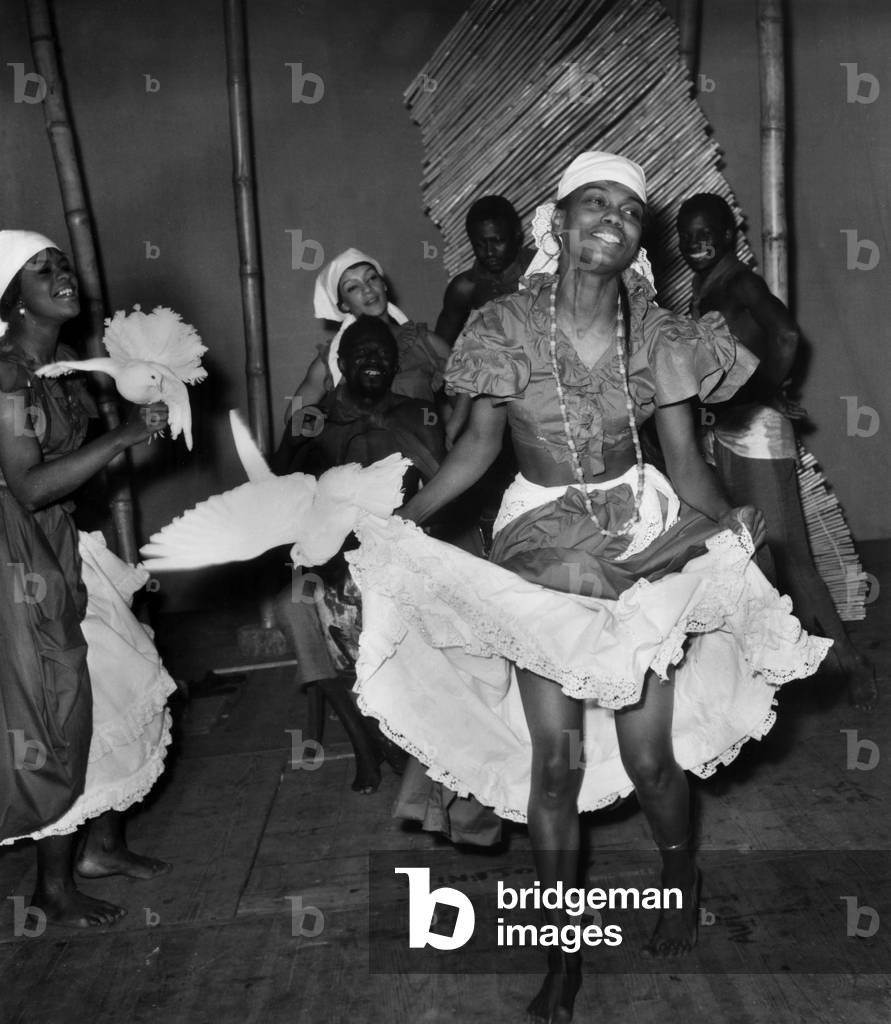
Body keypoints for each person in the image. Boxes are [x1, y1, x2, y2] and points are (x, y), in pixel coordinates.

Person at [341, 153, 831, 1022]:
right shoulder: (502, 326)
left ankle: (679, 876)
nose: (612, 217)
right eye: (593, 203)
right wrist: (398, 525)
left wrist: (732, 531)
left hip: (642, 535)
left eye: (629, 210)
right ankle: (562, 956)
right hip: (541, 551)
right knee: (554, 770)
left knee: (649, 761)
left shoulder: (662, 335)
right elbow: (475, 451)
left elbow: (684, 463)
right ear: (558, 225)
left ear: (638, 239)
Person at [0, 231, 175, 928]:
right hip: (19, 555)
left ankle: (101, 848)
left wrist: (134, 425)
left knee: (124, 680)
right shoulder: (7, 377)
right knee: (59, 704)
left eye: (62, 263)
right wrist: (122, 436)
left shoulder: (61, 366)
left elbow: (69, 476)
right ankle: (52, 885)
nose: (61, 275)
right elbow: (30, 486)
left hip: (63, 542)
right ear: (13, 299)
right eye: (40, 271)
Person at [676, 193, 877, 710]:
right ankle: (776, 668)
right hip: (725, 432)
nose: (697, 243)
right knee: (750, 550)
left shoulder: (740, 282)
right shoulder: (706, 285)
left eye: (707, 232)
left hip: (758, 432)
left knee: (788, 553)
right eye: (688, 235)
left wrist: (762, 392)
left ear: (728, 235)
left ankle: (850, 664)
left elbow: (786, 335)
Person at [272, 316, 483, 799]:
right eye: (362, 353)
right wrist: (296, 441)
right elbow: (278, 491)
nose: (374, 361)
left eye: (383, 354)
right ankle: (365, 739)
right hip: (332, 560)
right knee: (308, 609)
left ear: (395, 366)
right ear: (342, 363)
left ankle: (411, 739)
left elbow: (443, 488)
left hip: (403, 548)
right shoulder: (317, 418)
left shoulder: (417, 414)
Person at [282, 248, 451, 442]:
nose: (367, 289)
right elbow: (293, 419)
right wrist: (334, 426)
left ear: (384, 284)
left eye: (371, 278)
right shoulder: (333, 360)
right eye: (352, 287)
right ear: (344, 305)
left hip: (424, 454)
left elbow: (467, 395)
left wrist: (448, 434)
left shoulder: (427, 343)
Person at [434, 195, 535, 346]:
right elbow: (439, 349)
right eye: (480, 244)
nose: (489, 252)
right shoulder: (465, 288)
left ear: (516, 234)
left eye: (498, 241)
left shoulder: (545, 269)